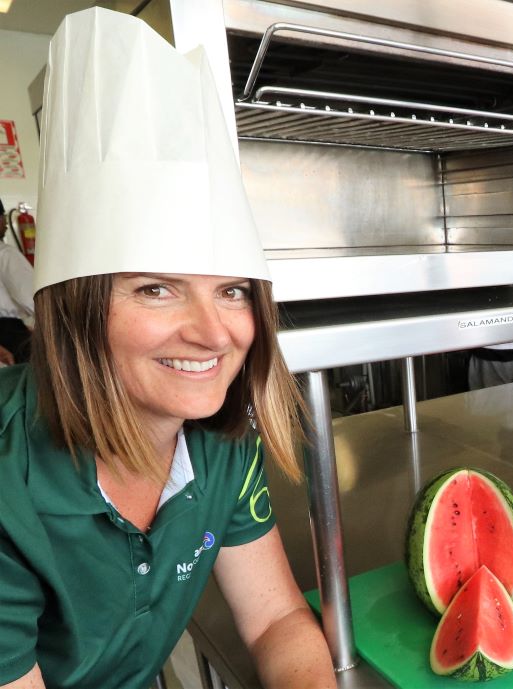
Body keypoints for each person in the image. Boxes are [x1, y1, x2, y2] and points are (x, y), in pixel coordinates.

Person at [0, 9, 335, 688]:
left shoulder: (221, 442)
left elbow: (275, 619)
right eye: (157, 289)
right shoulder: (10, 482)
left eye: (234, 290)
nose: (214, 333)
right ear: (78, 311)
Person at [0, 213, 35, 365]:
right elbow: (33, 299)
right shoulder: (5, 254)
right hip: (9, 338)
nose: (6, 223)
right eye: (3, 217)